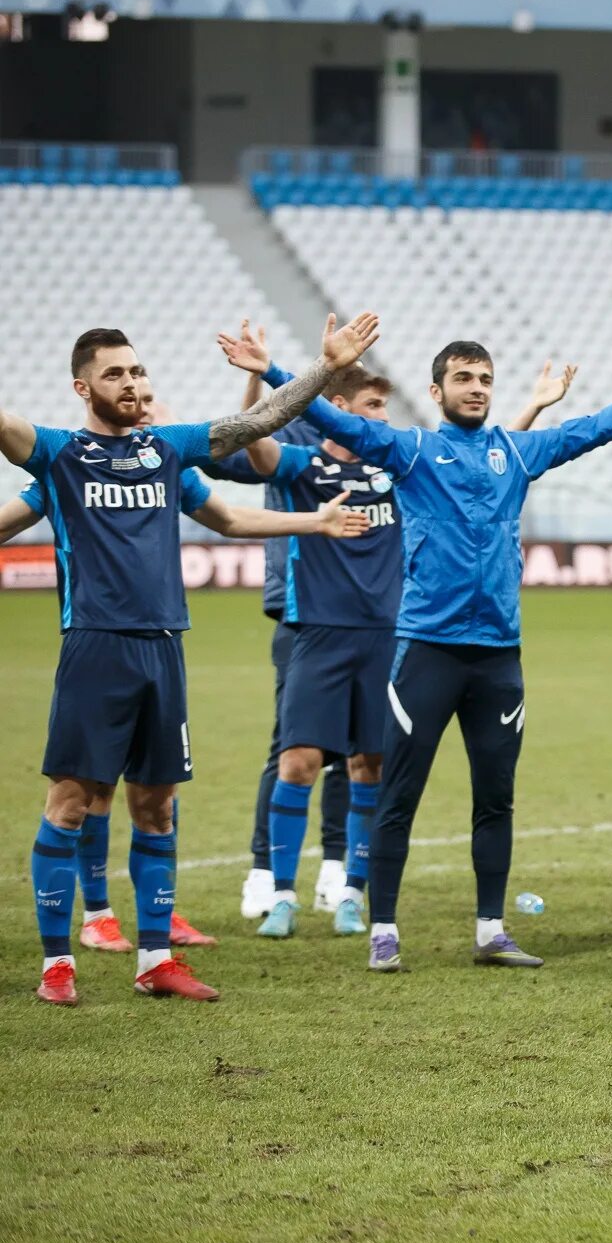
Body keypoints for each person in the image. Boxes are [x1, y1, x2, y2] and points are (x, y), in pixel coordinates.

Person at [286, 335, 612, 973]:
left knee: (496, 799)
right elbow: (324, 416)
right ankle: (383, 929)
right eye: (463, 377)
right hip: (427, 653)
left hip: (497, 658)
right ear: (437, 392)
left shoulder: (516, 454)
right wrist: (294, 369)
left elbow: (599, 427)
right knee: (398, 796)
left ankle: (490, 930)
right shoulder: (410, 450)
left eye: (485, 378)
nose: (476, 387)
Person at [10, 314, 379, 1005]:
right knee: (68, 804)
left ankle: (155, 959)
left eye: (138, 370)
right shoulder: (58, 453)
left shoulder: (166, 452)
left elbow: (250, 454)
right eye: (115, 373)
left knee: (157, 808)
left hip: (165, 651)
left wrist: (326, 373)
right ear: (82, 386)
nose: (131, 382)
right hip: (94, 647)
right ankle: (58, 965)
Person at [218, 343, 407, 941]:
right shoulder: (302, 467)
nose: (382, 416)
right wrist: (257, 380)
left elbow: (476, 457)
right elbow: (251, 441)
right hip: (316, 635)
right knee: (297, 762)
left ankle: (351, 890)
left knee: (368, 765)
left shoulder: (396, 471)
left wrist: (530, 410)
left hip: (382, 636)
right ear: (338, 407)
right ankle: (279, 894)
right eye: (373, 405)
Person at [211, 328, 357, 923]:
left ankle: (336, 870)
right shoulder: (296, 434)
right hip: (298, 608)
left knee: (351, 751)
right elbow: (246, 436)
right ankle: (265, 872)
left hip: (362, 619)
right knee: (290, 748)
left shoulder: (375, 447)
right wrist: (256, 373)